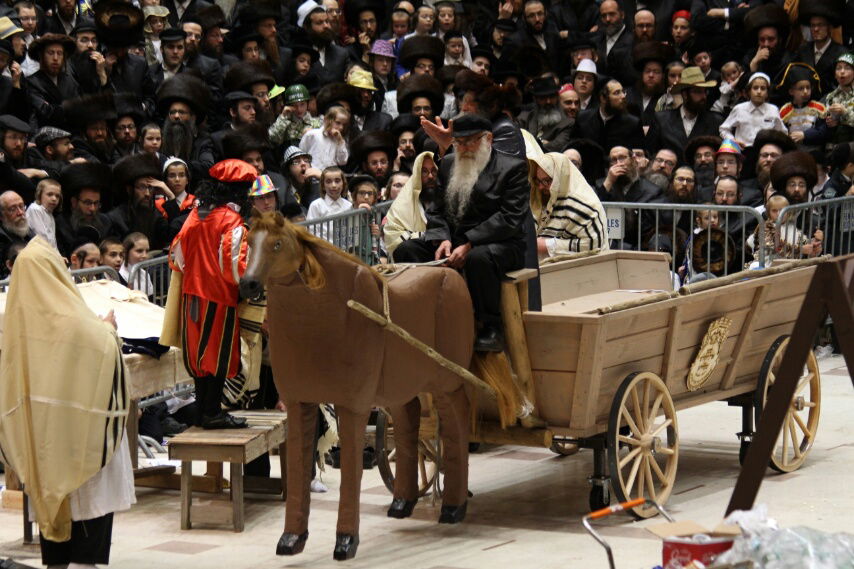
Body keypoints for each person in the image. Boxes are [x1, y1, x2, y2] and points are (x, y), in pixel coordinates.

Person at [0, 237, 135, 569]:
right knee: (85, 534)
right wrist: (108, 330)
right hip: (83, 449)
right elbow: (102, 351)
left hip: (46, 449)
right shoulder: (75, 320)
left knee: (56, 543)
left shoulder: (17, 326)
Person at [393, 115, 529, 352]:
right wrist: (442, 238)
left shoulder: (513, 168)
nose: (463, 148)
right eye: (458, 143)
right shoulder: (447, 164)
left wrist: (468, 243)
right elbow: (437, 209)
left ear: (487, 139)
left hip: (500, 242)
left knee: (478, 258)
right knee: (407, 249)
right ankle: (425, 315)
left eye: (469, 142)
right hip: (454, 238)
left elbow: (510, 218)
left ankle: (491, 327)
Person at [161, 159, 258, 429]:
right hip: (218, 297)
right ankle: (213, 412)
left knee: (199, 357)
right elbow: (233, 266)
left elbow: (177, 256)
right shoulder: (232, 220)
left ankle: (204, 411)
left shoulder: (196, 213)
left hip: (191, 295)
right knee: (217, 355)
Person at [528, 152, 608, 259]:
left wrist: (548, 245)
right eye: (538, 181)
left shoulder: (585, 206)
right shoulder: (538, 200)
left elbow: (593, 246)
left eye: (547, 181)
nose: (541, 187)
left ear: (562, 178)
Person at [384, 151, 436, 256]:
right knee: (406, 248)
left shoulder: (448, 196)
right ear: (417, 174)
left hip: (448, 247)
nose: (430, 176)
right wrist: (425, 235)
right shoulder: (403, 203)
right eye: (424, 171)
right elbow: (392, 235)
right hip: (419, 252)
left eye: (434, 171)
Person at [719, 72, 786, 149]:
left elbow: (782, 132)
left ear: (767, 93)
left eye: (763, 88)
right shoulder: (739, 109)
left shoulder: (773, 110)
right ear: (749, 91)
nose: (759, 91)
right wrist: (732, 141)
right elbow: (724, 129)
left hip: (764, 153)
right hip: (743, 151)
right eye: (755, 88)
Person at [298, 106, 350, 170]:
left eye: (343, 125)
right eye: (338, 123)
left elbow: (342, 161)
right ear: (327, 119)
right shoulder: (312, 134)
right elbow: (301, 152)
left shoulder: (339, 141)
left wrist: (340, 142)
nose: (341, 127)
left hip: (329, 176)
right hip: (311, 173)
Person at [0, 190, 35, 277]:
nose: (20, 213)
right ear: (1, 216)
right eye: (13, 209)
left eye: (22, 206)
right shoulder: (1, 239)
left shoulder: (28, 233)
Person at [25, 178, 62, 249]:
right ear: (39, 194)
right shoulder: (35, 209)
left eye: (57, 196)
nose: (54, 198)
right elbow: (42, 239)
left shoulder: (49, 214)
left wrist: (59, 256)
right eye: (50, 194)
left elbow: (53, 241)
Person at [121, 231, 155, 295]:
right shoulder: (121, 275)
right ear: (125, 252)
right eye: (139, 251)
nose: (145, 255)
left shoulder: (145, 274)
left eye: (147, 251)